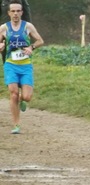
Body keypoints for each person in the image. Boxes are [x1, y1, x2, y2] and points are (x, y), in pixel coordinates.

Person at [0, 0, 44, 134]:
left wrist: (32, 47)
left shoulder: (28, 26)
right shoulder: (4, 28)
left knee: (27, 97)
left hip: (25, 66)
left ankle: (22, 100)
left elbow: (40, 40)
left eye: (18, 11)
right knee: (13, 93)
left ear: (22, 12)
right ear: (8, 13)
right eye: (13, 11)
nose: (15, 14)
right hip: (11, 65)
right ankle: (16, 125)